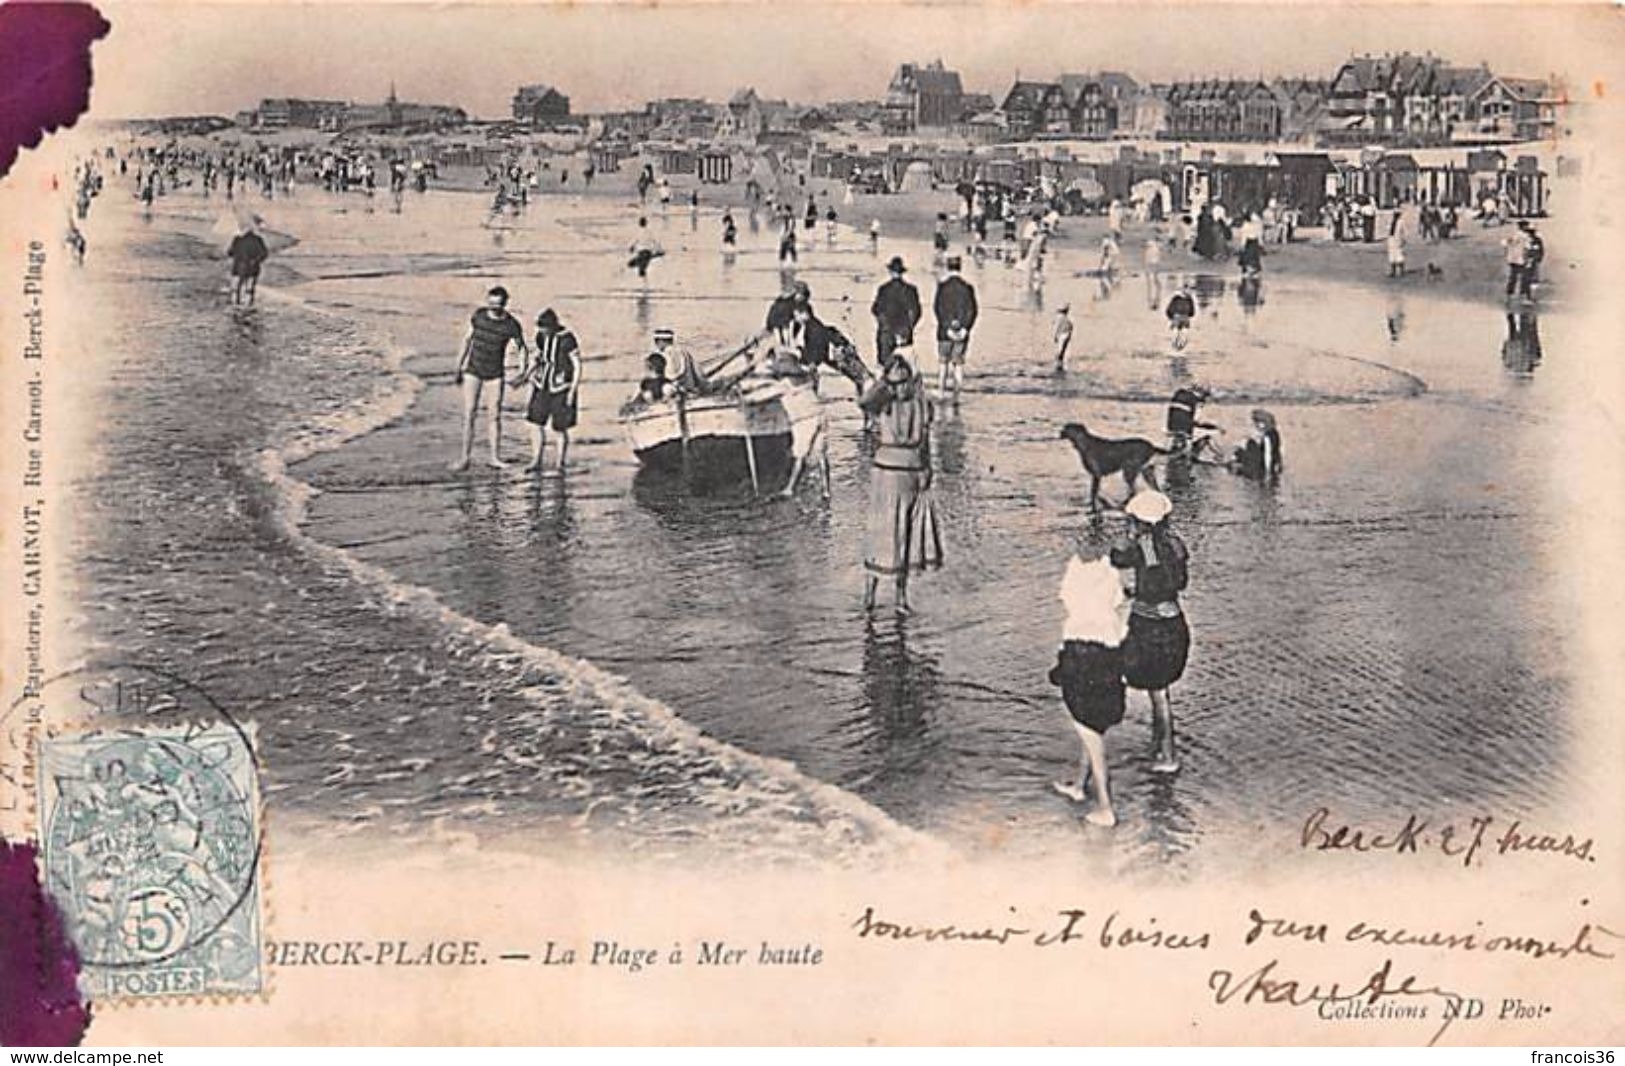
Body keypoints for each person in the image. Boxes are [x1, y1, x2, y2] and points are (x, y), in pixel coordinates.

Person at [1048, 549, 1130, 826]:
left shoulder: (1075, 625)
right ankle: (1080, 786)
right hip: (1111, 688)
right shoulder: (1112, 624)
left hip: (1083, 684)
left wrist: (1056, 675)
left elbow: (1064, 668)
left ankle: (1106, 807)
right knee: (1092, 736)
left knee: (1094, 745)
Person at [1110, 490, 1190, 774]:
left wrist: (1128, 536)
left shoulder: (1144, 546)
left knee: (1156, 692)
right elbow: (1176, 583)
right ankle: (1158, 747)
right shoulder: (1176, 544)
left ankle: (1168, 756)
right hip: (1175, 623)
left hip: (1151, 627)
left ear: (1139, 521)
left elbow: (1117, 558)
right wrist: (1139, 590)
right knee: (1161, 691)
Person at [859, 357, 942, 614]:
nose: (900, 388)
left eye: (904, 382)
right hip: (886, 474)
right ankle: (869, 597)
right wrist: (884, 382)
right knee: (881, 533)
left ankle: (900, 598)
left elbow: (926, 440)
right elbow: (865, 402)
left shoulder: (921, 403)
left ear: (911, 380)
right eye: (895, 383)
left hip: (912, 472)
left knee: (907, 535)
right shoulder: (884, 402)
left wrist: (928, 469)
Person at [451, 286, 528, 471]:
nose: (493, 308)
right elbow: (467, 340)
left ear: (505, 304)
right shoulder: (478, 316)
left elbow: (522, 348)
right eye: (490, 304)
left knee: (494, 415)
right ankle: (465, 458)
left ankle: (494, 458)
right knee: (470, 413)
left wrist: (523, 371)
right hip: (473, 370)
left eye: (497, 306)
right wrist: (458, 366)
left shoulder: (511, 325)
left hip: (495, 373)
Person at [515, 308, 582, 475]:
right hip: (541, 384)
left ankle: (560, 463)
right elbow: (538, 358)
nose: (542, 331)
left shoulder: (567, 339)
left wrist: (573, 389)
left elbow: (577, 364)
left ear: (553, 326)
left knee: (560, 427)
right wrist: (525, 376)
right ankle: (536, 459)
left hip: (561, 387)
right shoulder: (540, 337)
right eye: (541, 328)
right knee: (535, 423)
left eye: (545, 328)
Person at [933, 256, 978, 402]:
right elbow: (972, 310)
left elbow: (938, 309)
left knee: (943, 363)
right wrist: (965, 327)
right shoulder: (967, 288)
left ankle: (940, 391)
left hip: (944, 333)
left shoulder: (942, 286)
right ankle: (956, 395)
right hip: (962, 333)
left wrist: (946, 326)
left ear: (947, 267)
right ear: (960, 267)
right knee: (958, 364)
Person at [871, 256, 921, 370]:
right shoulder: (911, 290)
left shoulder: (883, 289)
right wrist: (908, 328)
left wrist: (883, 324)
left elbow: (875, 310)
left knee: (883, 365)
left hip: (886, 332)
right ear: (902, 272)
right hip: (904, 332)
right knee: (904, 367)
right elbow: (916, 312)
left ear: (890, 272)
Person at [1165, 385, 1219, 459]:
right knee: (1206, 439)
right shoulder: (1194, 402)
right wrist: (1213, 427)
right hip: (1183, 434)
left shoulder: (1180, 395)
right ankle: (1221, 456)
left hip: (1174, 430)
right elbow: (1195, 423)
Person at [1230, 408, 1283, 480]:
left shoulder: (1268, 436)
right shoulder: (1274, 433)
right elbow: (1277, 452)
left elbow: (1268, 455)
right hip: (1270, 466)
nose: (1255, 426)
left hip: (1265, 469)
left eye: (1256, 423)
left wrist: (1268, 473)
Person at [227, 222, 270, 307]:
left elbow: (230, 252)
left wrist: (237, 255)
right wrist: (256, 260)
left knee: (236, 288)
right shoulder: (258, 240)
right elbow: (264, 254)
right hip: (252, 268)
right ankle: (247, 304)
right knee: (249, 289)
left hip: (238, 267)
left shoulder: (237, 240)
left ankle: (235, 303)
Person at [653, 328, 704, 394]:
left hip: (680, 388)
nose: (656, 345)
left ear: (661, 341)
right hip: (688, 386)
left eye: (656, 342)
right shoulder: (681, 350)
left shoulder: (669, 352)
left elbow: (674, 375)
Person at [1165, 285, 1196, 350]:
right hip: (1181, 318)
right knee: (1179, 333)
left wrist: (1170, 316)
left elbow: (1192, 312)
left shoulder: (1186, 299)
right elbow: (1192, 312)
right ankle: (1177, 347)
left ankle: (1177, 347)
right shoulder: (1185, 299)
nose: (1189, 292)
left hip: (1181, 318)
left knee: (1179, 333)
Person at [1052, 302, 1074, 371]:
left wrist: (1055, 336)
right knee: (1063, 349)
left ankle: (1058, 362)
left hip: (1062, 335)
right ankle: (1060, 361)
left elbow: (1056, 328)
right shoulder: (1066, 318)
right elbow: (1071, 326)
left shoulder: (1059, 318)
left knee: (1059, 349)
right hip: (1066, 334)